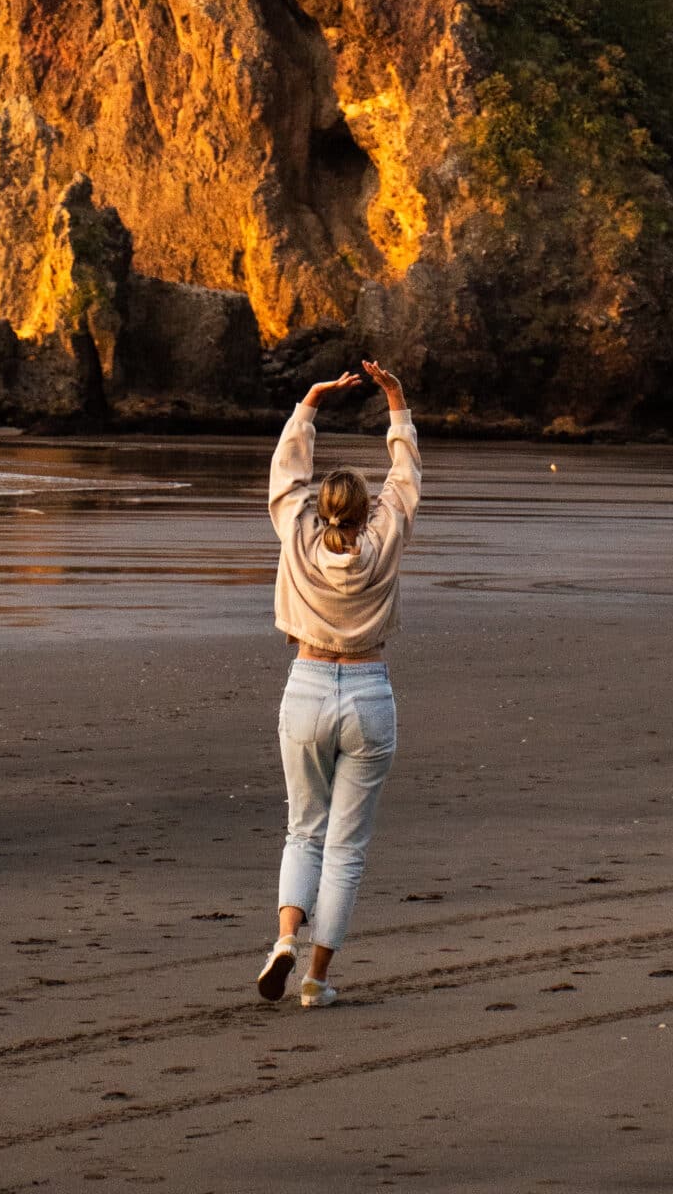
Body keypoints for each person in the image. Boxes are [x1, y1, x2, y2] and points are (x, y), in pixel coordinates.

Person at [255, 358, 421, 1010]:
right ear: (364, 510)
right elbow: (405, 478)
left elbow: (285, 475)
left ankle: (285, 938)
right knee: (346, 847)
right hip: (368, 688)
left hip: (306, 682)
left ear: (322, 508)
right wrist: (395, 399)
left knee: (304, 831)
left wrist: (308, 406)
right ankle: (316, 980)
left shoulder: (296, 532)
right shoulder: (386, 536)